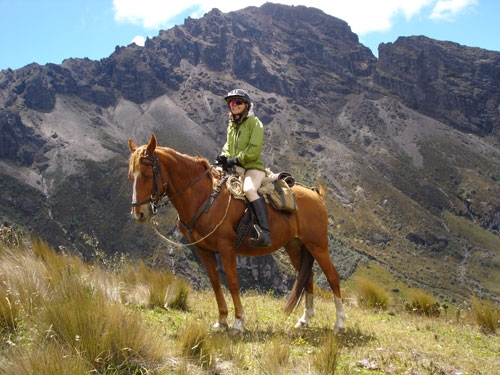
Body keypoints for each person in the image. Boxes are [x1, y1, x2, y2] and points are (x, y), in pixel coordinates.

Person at [216, 89, 271, 247]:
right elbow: (228, 146)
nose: (234, 105)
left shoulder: (255, 123)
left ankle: (265, 232)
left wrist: (236, 159)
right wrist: (223, 157)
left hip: (252, 168)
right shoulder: (232, 125)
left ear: (246, 105)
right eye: (232, 103)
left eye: (238, 102)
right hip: (235, 168)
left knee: (248, 189)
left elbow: (254, 149)